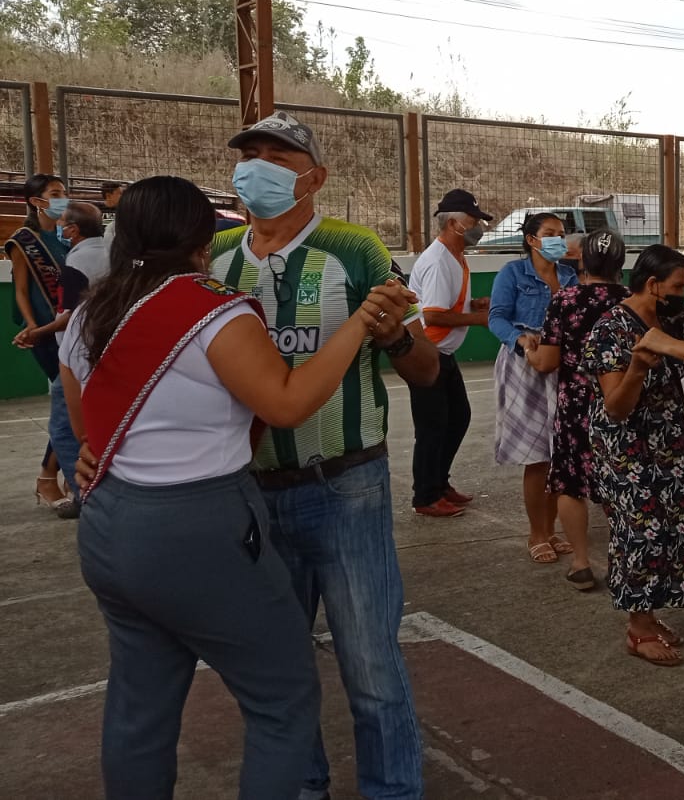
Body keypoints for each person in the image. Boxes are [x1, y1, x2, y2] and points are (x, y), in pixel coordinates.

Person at [61, 175, 401, 800]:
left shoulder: (94, 309)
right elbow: (286, 403)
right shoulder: (214, 311)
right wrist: (359, 323)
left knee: (140, 709)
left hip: (109, 523)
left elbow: (88, 432)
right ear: (201, 241)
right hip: (197, 530)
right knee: (284, 698)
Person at [210, 111, 440, 800]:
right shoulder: (213, 256)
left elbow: (427, 370)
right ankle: (303, 786)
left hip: (345, 487)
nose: (257, 169)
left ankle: (393, 791)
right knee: (277, 669)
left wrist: (396, 337)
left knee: (370, 667)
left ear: (314, 177)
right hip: (248, 492)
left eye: (277, 158)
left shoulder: (354, 249)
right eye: (248, 156)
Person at [586, 244, 684, 665]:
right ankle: (638, 629)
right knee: (639, 531)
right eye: (677, 286)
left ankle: (651, 613)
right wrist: (638, 369)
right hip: (626, 448)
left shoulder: (671, 319)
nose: (682, 293)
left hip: (669, 442)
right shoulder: (611, 328)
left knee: (674, 526)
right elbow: (616, 407)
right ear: (653, 284)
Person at [533, 229, 630, 591]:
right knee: (622, 481)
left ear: (584, 261)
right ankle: (625, 560)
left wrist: (529, 352)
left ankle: (581, 562)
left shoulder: (566, 300)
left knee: (571, 482)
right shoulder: (632, 300)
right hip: (621, 402)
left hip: (576, 405)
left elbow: (547, 362)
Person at [488, 212, 579, 560]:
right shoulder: (512, 273)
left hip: (561, 365)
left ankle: (552, 529)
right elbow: (496, 318)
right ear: (531, 240)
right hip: (523, 366)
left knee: (559, 455)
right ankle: (536, 533)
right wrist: (520, 340)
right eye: (550, 233)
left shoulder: (569, 276)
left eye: (562, 233)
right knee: (536, 456)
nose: (559, 239)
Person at [408, 189, 494, 518]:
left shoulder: (455, 256)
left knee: (457, 417)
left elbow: (445, 305)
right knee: (433, 426)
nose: (477, 228)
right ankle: (426, 495)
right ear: (453, 224)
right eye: (473, 221)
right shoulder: (438, 261)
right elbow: (432, 315)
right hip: (428, 353)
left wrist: (473, 306)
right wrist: (478, 319)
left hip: (442, 353)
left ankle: (439, 482)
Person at [29, 201, 109, 518]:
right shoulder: (115, 253)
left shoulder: (75, 263)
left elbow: (68, 316)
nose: (59, 226)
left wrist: (37, 332)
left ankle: (83, 494)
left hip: (77, 356)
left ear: (73, 230)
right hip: (106, 352)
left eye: (62, 222)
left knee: (64, 429)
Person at [7, 173, 71, 510]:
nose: (63, 198)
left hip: (69, 327)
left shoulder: (64, 237)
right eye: (55, 193)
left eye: (64, 192)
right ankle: (48, 476)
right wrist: (33, 326)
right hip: (46, 331)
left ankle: (61, 473)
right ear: (36, 201)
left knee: (74, 402)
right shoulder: (24, 241)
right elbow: (20, 289)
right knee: (69, 403)